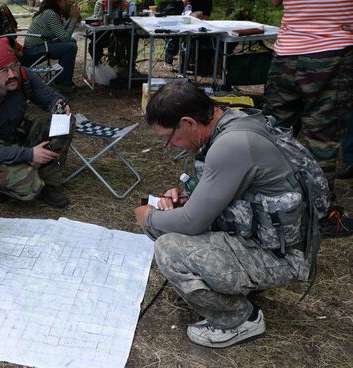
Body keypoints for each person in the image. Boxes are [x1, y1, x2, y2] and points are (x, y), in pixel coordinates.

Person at [134, 81, 326, 348]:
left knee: (169, 247)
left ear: (188, 123)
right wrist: (187, 196)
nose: (171, 146)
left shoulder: (231, 144)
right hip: (271, 241)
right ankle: (237, 282)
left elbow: (192, 222)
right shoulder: (232, 119)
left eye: (168, 138)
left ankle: (239, 319)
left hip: (283, 257)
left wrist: (146, 215)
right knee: (166, 222)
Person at [263, 0, 353, 237]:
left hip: (286, 55)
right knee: (323, 137)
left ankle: (269, 203)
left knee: (274, 134)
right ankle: (322, 217)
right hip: (331, 53)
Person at [0, 37, 74, 209]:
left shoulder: (23, 75)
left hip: (19, 139)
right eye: (3, 70)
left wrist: (59, 104)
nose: (12, 74)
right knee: (29, 187)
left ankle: (48, 183)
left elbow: (50, 97)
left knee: (64, 120)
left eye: (14, 66)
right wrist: (29, 155)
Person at [21, 0, 81, 92]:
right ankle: (61, 82)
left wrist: (72, 16)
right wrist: (74, 18)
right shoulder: (50, 14)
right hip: (33, 51)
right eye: (64, 1)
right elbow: (65, 37)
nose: (66, 3)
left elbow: (61, 32)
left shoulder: (50, 12)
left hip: (39, 46)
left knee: (72, 41)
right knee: (71, 47)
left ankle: (62, 79)